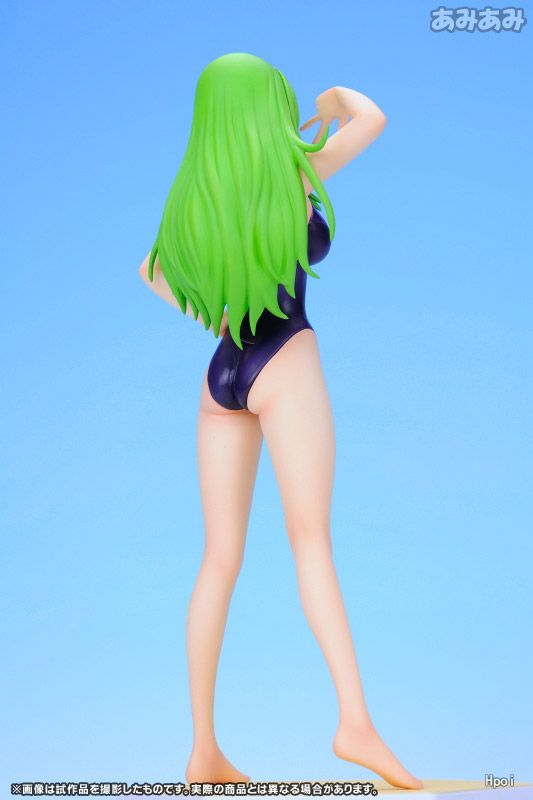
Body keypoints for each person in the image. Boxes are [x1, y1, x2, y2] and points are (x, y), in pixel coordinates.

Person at [139, 52, 423, 790]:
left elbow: (153, 273)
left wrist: (220, 318)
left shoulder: (196, 198)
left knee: (218, 558)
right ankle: (353, 722)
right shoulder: (291, 176)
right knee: (310, 542)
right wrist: (328, 103)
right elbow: (371, 117)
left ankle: (203, 749)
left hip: (223, 375)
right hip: (286, 360)